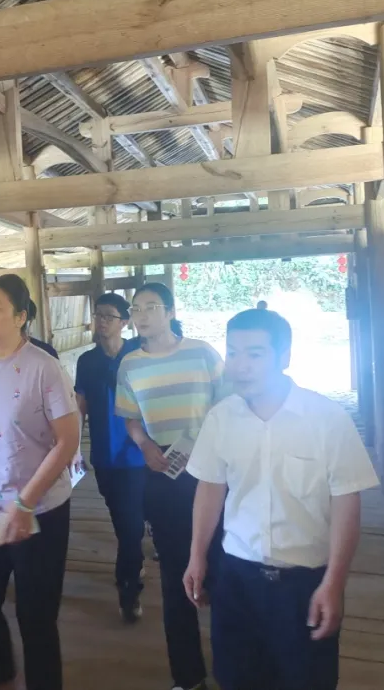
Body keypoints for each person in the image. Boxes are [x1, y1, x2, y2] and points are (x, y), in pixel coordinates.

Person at [183, 309, 379, 690]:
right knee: (236, 678)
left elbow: (346, 503)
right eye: (233, 352)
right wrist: (197, 555)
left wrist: (334, 583)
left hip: (304, 582)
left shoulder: (327, 418)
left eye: (255, 354)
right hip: (236, 577)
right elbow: (210, 488)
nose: (240, 365)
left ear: (284, 357)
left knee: (306, 680)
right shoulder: (221, 418)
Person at [0, 274, 81, 690]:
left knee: (36, 615)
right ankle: (1, 676)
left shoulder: (44, 368)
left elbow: (68, 440)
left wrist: (26, 503)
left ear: (21, 317)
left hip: (39, 510)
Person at [115, 283, 224, 690]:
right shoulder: (130, 364)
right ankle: (187, 676)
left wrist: (209, 443)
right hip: (163, 468)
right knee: (176, 574)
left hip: (212, 466)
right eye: (135, 309)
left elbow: (229, 405)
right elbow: (130, 417)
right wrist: (144, 445)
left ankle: (231, 666)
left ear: (171, 311)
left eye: (151, 307)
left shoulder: (203, 353)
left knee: (222, 567)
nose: (141, 316)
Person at [74, 292, 145, 622]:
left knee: (132, 526)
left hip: (141, 454)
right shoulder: (87, 361)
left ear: (124, 322)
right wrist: (74, 447)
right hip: (105, 455)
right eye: (98, 315)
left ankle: (129, 589)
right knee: (124, 522)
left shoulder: (139, 353)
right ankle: (133, 563)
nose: (101, 321)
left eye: (109, 316)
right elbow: (80, 406)